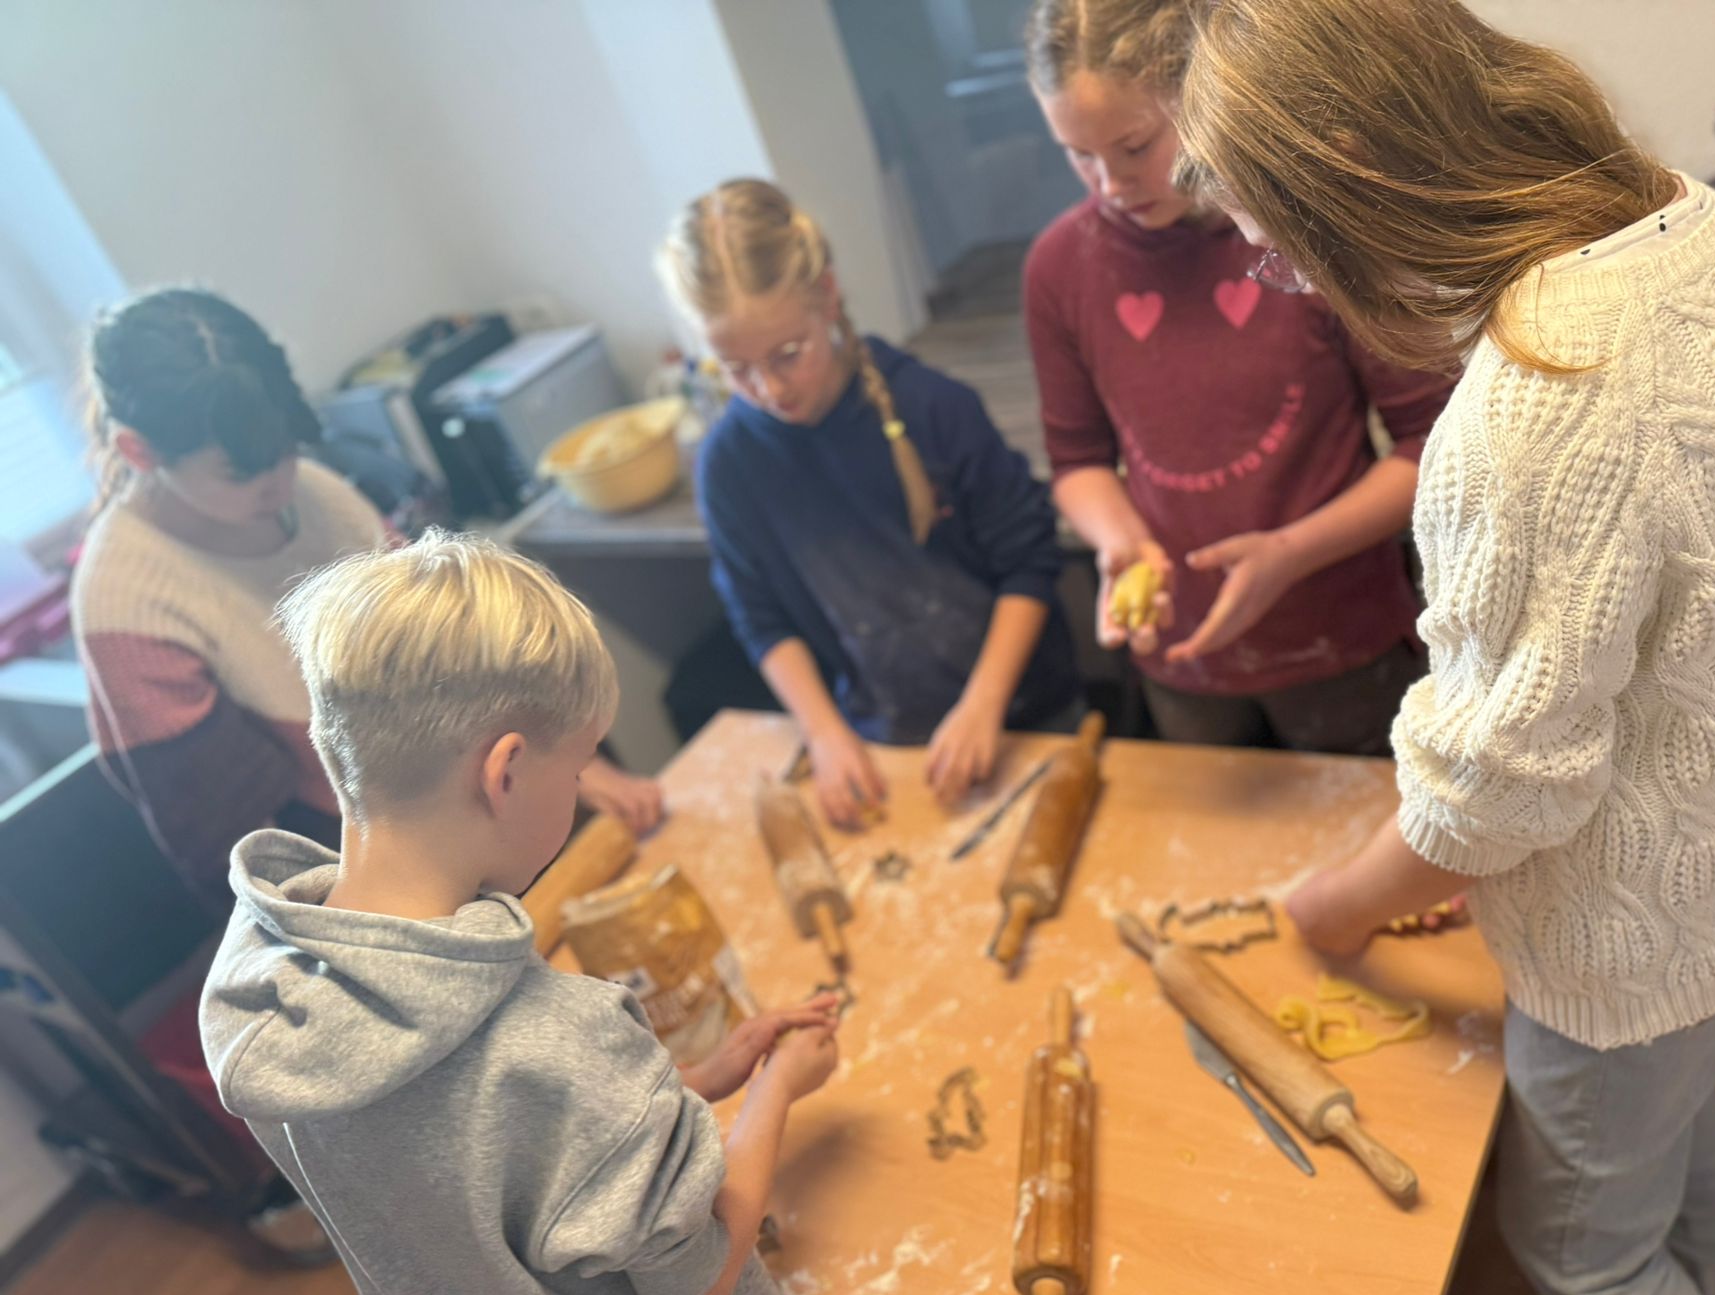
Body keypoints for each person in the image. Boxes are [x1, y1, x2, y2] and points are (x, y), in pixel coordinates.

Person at [1175, 4, 1715, 1295]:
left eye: (1282, 247)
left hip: (1627, 928)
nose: (1287, 277)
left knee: (1583, 1250)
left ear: (1353, 168)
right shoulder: (1693, 225)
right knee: (1675, 1112)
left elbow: (1497, 790)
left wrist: (1341, 904)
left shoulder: (1536, 405)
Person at [200, 530, 940, 1295]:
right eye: (582, 765)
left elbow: (491, 1161)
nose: (583, 787)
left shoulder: (263, 985)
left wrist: (682, 1087)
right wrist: (776, 1087)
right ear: (505, 772)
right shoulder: (557, 1039)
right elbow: (694, 1281)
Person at [73, 288, 662, 904]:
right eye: (241, 473)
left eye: (286, 451)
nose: (280, 484)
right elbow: (242, 855)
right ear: (138, 451)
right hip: (382, 890)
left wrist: (573, 766)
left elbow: (465, 649)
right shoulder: (128, 607)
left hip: (487, 811)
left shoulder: (318, 493)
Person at [1020, 0, 1456, 753]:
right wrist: (1119, 539)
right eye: (1078, 155)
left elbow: (1433, 446)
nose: (1110, 183)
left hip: (1343, 644)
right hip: (1181, 657)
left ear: (1196, 95)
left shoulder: (1298, 232)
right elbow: (1077, 462)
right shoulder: (1060, 267)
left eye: (1134, 146)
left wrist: (1290, 553)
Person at [661, 180, 1082, 829]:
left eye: (788, 355)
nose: (769, 388)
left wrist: (984, 704)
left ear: (828, 296)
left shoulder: (935, 410)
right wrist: (824, 732)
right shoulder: (728, 466)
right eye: (734, 369)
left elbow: (1029, 562)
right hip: (881, 736)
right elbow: (762, 619)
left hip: (1024, 713)